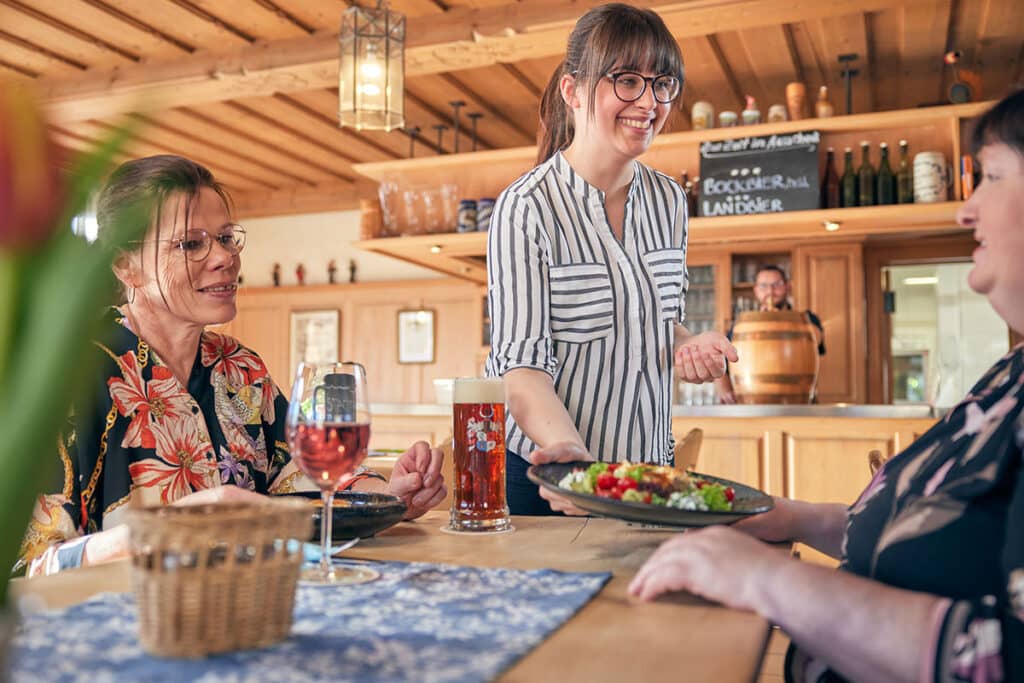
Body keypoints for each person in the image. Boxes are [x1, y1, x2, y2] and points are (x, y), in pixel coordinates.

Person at [629, 90, 1024, 682]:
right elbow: (936, 534)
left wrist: (772, 580)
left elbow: (1004, 659)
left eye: (991, 176)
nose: (965, 211)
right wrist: (794, 517)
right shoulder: (1008, 377)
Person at [18, 155, 447, 577]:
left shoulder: (241, 368)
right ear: (125, 265)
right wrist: (177, 526)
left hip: (248, 613)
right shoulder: (68, 377)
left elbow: (303, 477)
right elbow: (26, 568)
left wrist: (390, 497)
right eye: (191, 243)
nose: (224, 257)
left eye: (225, 237)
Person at [485, 3, 737, 516]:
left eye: (662, 83)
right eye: (626, 80)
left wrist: (688, 344)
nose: (649, 101)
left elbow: (652, 321)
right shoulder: (526, 207)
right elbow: (521, 369)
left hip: (645, 470)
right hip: (547, 476)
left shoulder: (669, 201)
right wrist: (575, 466)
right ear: (572, 91)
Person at [715, 264, 825, 404]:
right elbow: (721, 359)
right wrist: (725, 390)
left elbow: (816, 340)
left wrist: (779, 320)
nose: (770, 291)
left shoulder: (806, 319)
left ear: (787, 287)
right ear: (756, 290)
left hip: (799, 402)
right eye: (763, 286)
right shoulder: (743, 325)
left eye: (776, 285)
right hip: (752, 405)